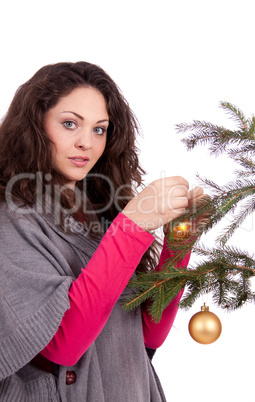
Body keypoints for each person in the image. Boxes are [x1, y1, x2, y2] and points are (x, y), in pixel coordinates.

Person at [0, 62, 205, 401]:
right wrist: (133, 226)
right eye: (70, 124)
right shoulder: (12, 219)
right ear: (35, 126)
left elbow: (147, 334)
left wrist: (178, 245)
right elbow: (62, 346)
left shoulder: (102, 210)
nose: (86, 143)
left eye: (99, 129)